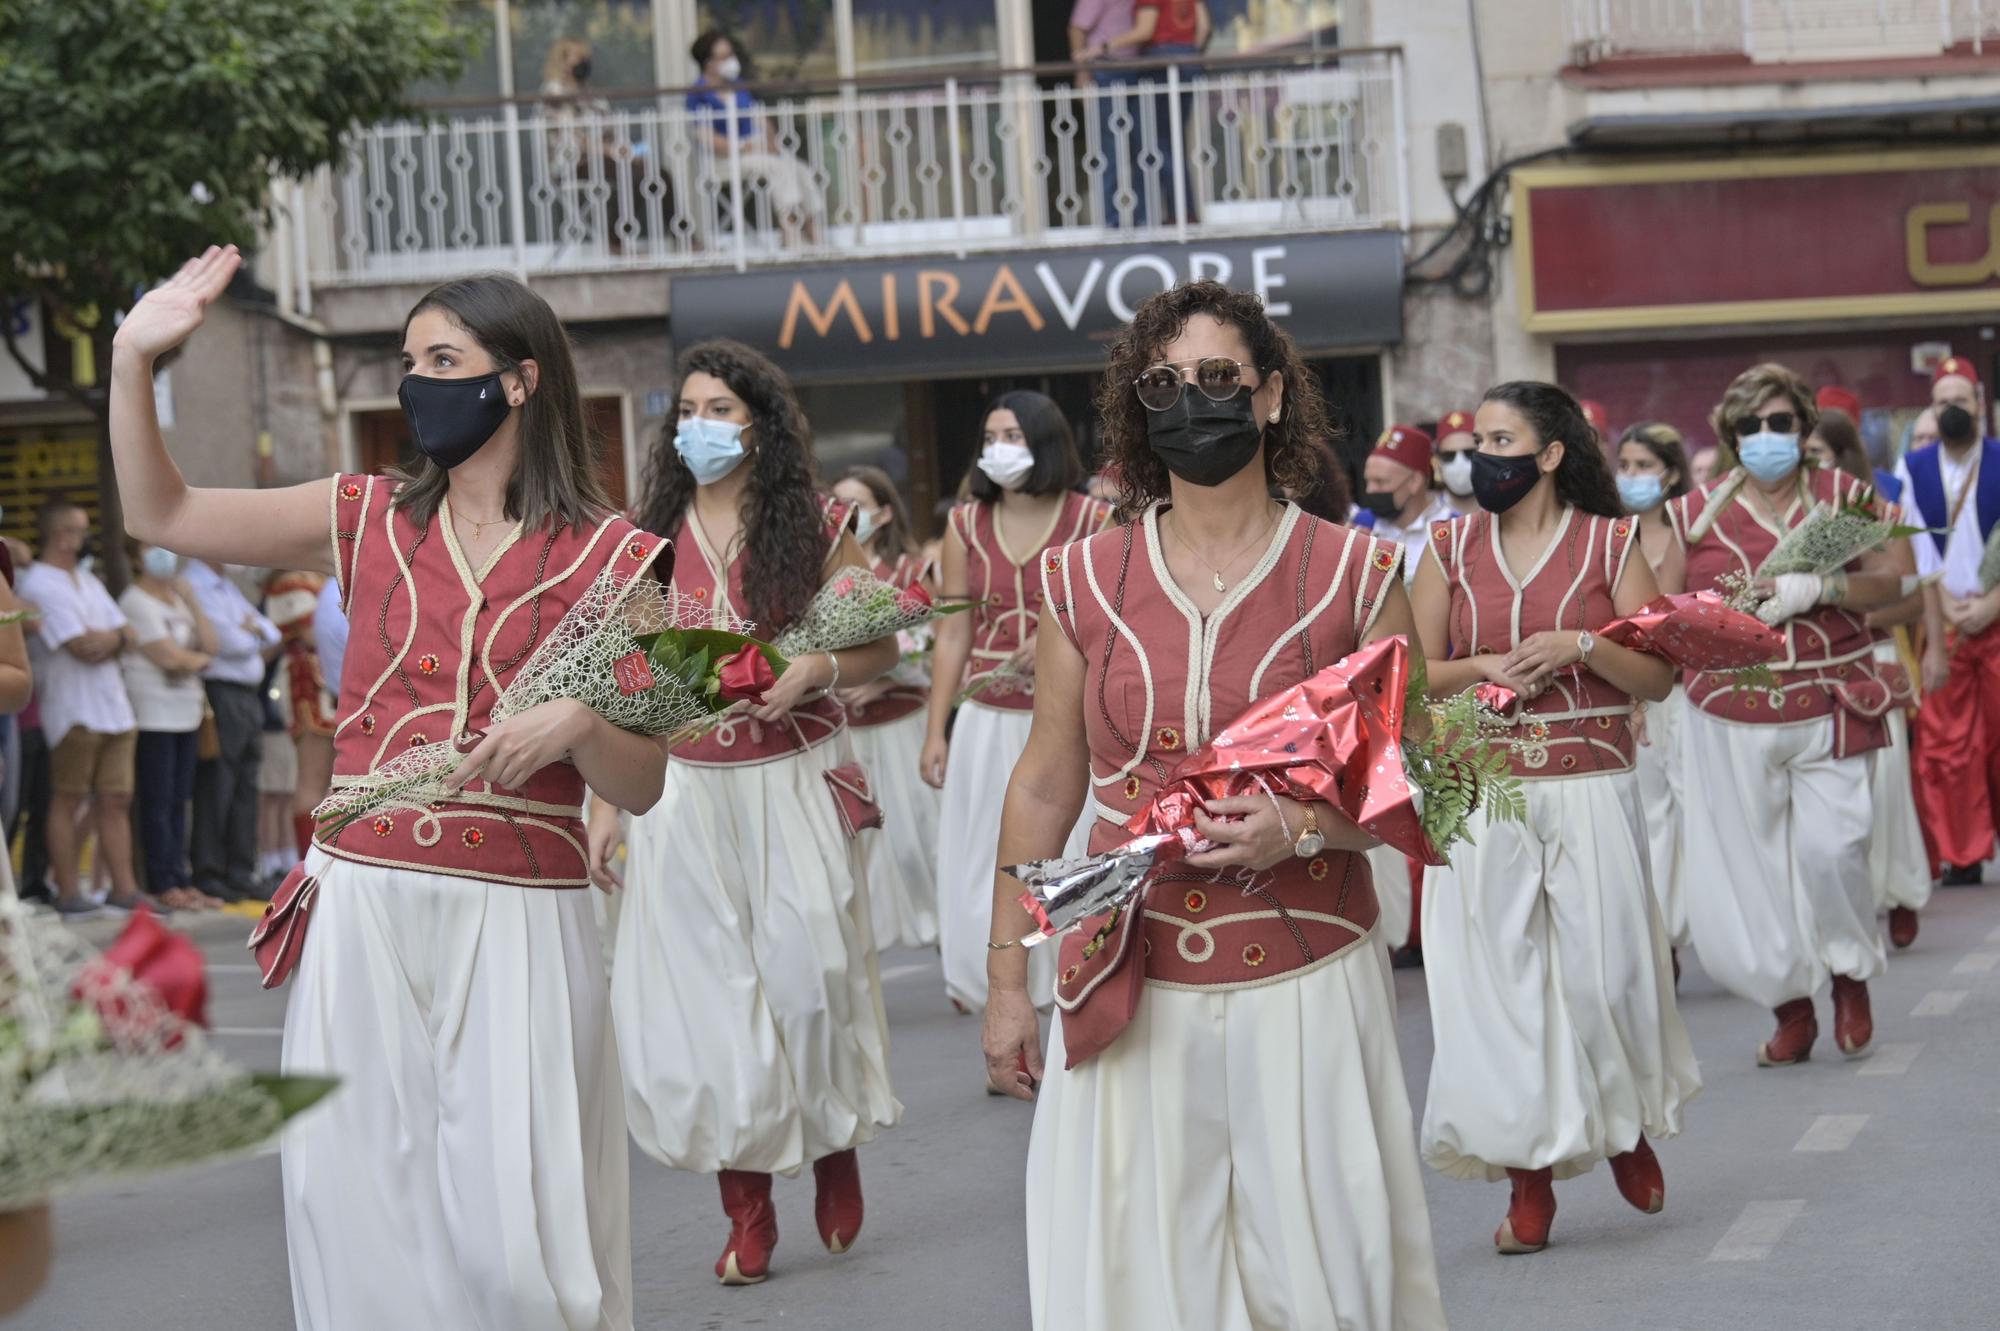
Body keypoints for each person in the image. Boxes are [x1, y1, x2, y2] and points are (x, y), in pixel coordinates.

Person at [111, 245, 663, 1329]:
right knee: (357, 1210)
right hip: (360, 897)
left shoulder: (621, 562)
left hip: (520, 910)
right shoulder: (362, 510)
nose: (417, 382)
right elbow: (160, 513)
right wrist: (134, 356)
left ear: (519, 379)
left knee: (522, 1248)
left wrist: (581, 722)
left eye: (443, 358)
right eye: (407, 359)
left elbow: (639, 780)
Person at [987, 280, 1447, 1329]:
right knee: (1144, 1284)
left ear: (1270, 395)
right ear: (1134, 408)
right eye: (1163, 383)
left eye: (1215, 380)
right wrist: (1005, 974)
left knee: (1317, 1273)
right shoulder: (1081, 580)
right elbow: (1046, 780)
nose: (1189, 400)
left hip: (1306, 970)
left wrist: (1307, 825)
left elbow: (1418, 768)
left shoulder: (1352, 570)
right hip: (1125, 968)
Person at [602, 339, 901, 1287]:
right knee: (714, 1011)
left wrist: (815, 666)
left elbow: (881, 645)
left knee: (811, 985)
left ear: (762, 426)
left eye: (722, 409)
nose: (701, 425)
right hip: (684, 796)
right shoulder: (642, 538)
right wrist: (609, 806)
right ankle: (748, 1211)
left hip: (793, 779)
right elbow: (630, 685)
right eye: (688, 408)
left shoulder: (818, 524)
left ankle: (834, 1148)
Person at [1414, 383, 1697, 1256]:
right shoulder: (1447, 547)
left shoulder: (1613, 543)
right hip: (1479, 786)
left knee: (1606, 975)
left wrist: (1581, 644)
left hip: (1591, 783)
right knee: (1498, 993)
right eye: (1472, 442)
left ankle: (1623, 1128)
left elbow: (1656, 678)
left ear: (1547, 454)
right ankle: (1528, 1182)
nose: (1478, 457)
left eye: (1500, 439)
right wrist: (1490, 664)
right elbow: (1411, 670)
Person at [1669, 362, 1907, 1066]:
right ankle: (1791, 1006)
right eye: (1751, 425)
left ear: (1804, 428)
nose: (1766, 435)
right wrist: (1714, 613)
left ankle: (1848, 973)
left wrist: (1823, 583)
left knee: (1833, 848)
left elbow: (1898, 580)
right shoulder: (1692, 512)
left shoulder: (1845, 495)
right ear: (1730, 434)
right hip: (1729, 707)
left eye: (1780, 422)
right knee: (1752, 873)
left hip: (1832, 695)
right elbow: (1658, 606)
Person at [924, 391, 1112, 1016]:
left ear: (1046, 441)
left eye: (1014, 436)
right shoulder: (963, 525)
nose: (998, 448)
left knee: (1071, 855)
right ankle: (1000, 1002)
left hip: (1069, 724)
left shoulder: (1093, 520)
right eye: (991, 436)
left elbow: (1115, 617)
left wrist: (1060, 636)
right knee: (985, 861)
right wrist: (936, 729)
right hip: (986, 720)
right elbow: (952, 631)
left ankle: (1074, 989)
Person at [1808, 410, 1931, 948]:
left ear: (1841, 455)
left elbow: (1911, 596)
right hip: (1808, 668)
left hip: (1869, 662)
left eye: (1818, 453)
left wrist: (1847, 614)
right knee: (1829, 806)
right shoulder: (1780, 517)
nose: (1809, 463)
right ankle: (1840, 910)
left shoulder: (1870, 511)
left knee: (1883, 789)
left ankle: (1900, 893)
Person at [1353, 423, 1452, 964]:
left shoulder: (1453, 532)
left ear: (1415, 482)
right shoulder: (1357, 528)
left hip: (1437, 682)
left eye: (1380, 478)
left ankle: (1423, 929)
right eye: (1367, 476)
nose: (1369, 487)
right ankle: (1400, 930)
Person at [1898, 357, 2000, 887]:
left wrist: (1993, 604)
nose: (1953, 410)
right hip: (1948, 620)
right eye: (1943, 403)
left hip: (1996, 614)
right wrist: (1935, 646)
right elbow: (1919, 561)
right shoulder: (1913, 470)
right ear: (1932, 411)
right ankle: (1962, 855)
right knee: (1948, 745)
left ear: (1980, 406)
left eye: (1962, 401)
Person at [831, 464, 941, 952]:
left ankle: (946, 933)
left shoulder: (911, 571)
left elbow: (934, 650)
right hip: (847, 730)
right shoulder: (825, 571)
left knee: (918, 840)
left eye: (857, 506)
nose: (847, 515)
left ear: (884, 511)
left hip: (901, 723)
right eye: (839, 505)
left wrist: (880, 679)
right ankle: (868, 944)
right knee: (859, 842)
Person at [17, 499, 143, 918]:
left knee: (116, 798)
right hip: (72, 710)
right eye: (79, 529)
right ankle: (69, 890)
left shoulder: (86, 582)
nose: (84, 537)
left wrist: (114, 639)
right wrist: (115, 640)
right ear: (61, 535)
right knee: (69, 800)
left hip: (113, 707)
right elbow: (78, 646)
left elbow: (128, 632)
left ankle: (123, 889)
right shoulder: (38, 583)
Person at [1616, 422, 1694, 958]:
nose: (1633, 476)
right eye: (1625, 465)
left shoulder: (1691, 532)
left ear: (1669, 472)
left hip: (1690, 695)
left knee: (1695, 811)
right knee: (1651, 815)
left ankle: (1698, 918)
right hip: (1635, 694)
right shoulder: (1611, 536)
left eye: (1644, 466)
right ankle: (1661, 936)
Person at [118, 540, 223, 911]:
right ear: (135, 557)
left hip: (186, 713)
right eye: (151, 549)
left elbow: (211, 645)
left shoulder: (177, 599)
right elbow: (168, 657)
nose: (163, 555)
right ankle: (162, 881)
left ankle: (182, 877)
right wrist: (195, 660)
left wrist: (193, 602)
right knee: (158, 802)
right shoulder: (134, 601)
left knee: (180, 801)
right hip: (154, 715)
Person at [185, 558, 279, 903]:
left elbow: (273, 630)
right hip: (220, 692)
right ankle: (210, 869)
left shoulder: (226, 587)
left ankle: (240, 870)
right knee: (218, 783)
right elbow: (230, 643)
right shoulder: (196, 583)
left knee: (245, 784)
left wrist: (252, 630)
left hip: (246, 695)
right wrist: (251, 631)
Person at [1080, 0, 1211, 228]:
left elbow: (1145, 29)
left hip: (1161, 60)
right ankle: (1181, 212)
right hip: (1189, 58)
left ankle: (1177, 214)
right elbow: (1204, 28)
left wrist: (1103, 48)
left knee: (1159, 143)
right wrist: (1187, 53)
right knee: (1172, 141)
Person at [687, 31, 820, 246]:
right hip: (725, 159)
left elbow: (759, 117)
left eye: (731, 55)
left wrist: (770, 142)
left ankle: (814, 234)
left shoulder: (737, 87)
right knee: (778, 168)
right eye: (724, 57)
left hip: (756, 152)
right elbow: (707, 138)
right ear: (709, 63)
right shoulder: (698, 94)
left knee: (799, 169)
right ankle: (790, 235)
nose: (731, 61)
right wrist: (747, 147)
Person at [540, 37, 651, 254]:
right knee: (634, 174)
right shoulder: (554, 93)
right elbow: (571, 137)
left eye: (586, 59)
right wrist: (609, 151)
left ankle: (685, 236)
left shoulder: (592, 96)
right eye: (578, 58)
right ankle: (616, 241)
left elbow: (610, 132)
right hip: (572, 163)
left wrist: (625, 150)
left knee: (655, 173)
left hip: (604, 159)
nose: (584, 63)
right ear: (562, 62)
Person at [1436, 407, 1479, 517]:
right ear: (1438, 461)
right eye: (1449, 456)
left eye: (1469, 453)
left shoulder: (1504, 513)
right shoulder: (1427, 519)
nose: (1459, 462)